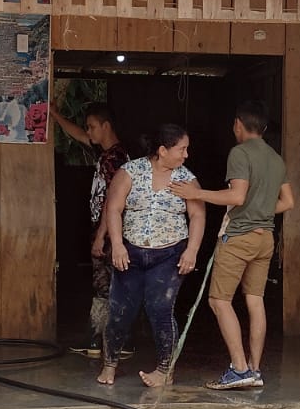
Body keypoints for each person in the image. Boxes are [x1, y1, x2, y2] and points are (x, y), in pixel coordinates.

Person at [170, 100, 294, 389]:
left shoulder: (240, 153)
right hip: (265, 238)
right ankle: (255, 369)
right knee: (255, 300)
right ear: (263, 128)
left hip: (239, 237)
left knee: (219, 301)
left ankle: (239, 369)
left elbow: (237, 197)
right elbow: (288, 202)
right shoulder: (275, 158)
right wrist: (260, 211)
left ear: (238, 124)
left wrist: (196, 193)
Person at [98, 124, 207, 389]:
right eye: (182, 149)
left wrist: (192, 250)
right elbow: (114, 209)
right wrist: (117, 245)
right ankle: (109, 364)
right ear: (162, 150)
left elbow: (197, 215)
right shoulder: (130, 171)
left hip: (169, 254)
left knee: (160, 308)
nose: (186, 155)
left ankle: (164, 370)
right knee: (120, 310)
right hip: (130, 252)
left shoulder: (186, 179)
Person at [51, 93, 130, 357]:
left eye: (92, 126)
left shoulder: (114, 159)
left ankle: (106, 340)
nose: (88, 131)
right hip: (109, 230)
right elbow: (78, 135)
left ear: (106, 126)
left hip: (110, 231)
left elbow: (112, 200)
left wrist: (101, 235)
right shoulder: (108, 152)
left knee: (106, 285)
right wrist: (55, 115)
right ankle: (104, 340)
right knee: (109, 285)